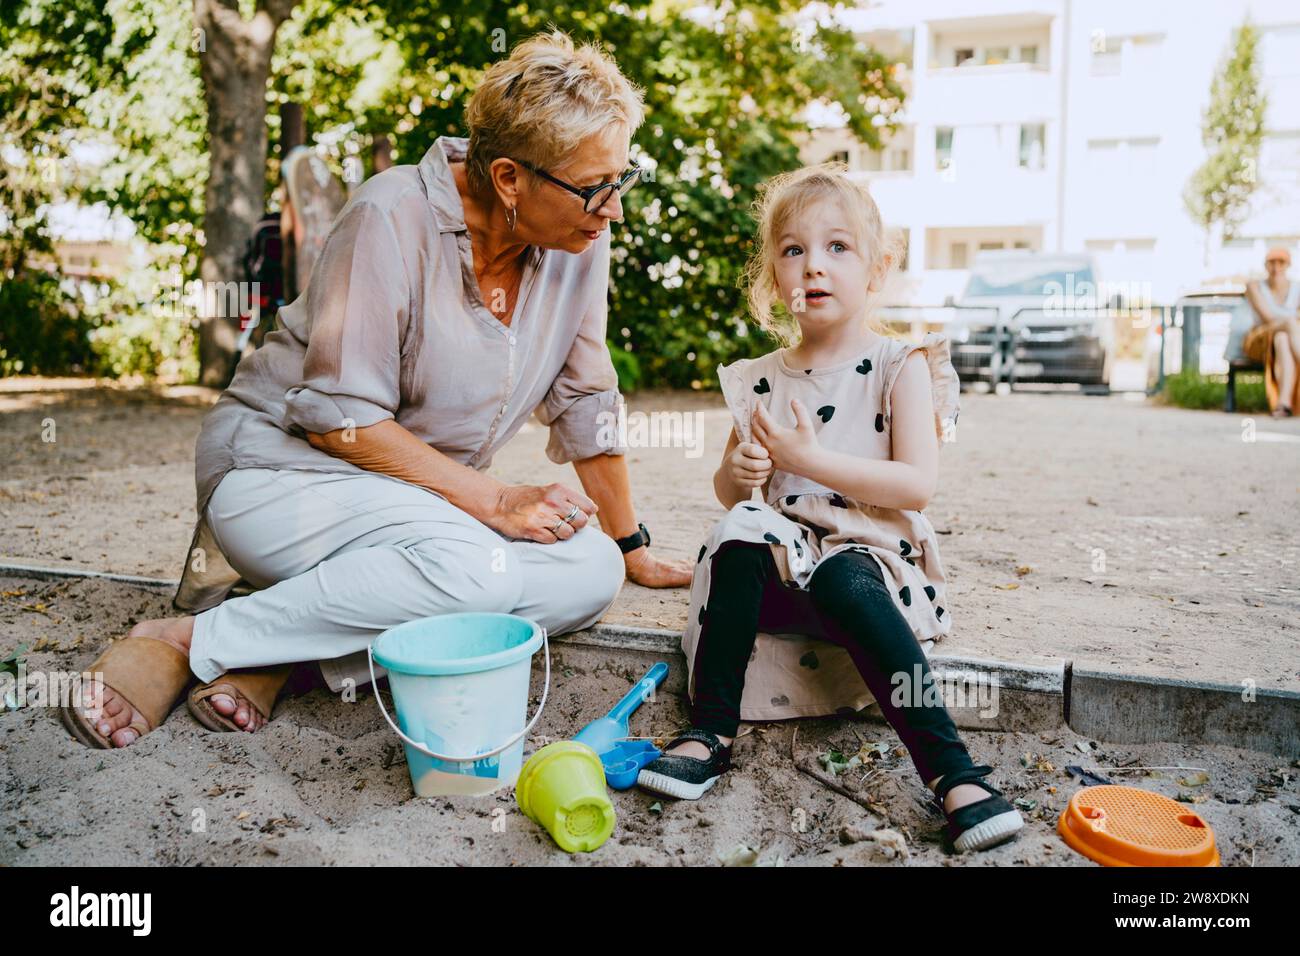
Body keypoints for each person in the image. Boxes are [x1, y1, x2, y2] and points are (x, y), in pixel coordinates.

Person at [61, 29, 692, 750]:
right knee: (473, 576)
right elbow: (339, 422)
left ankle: (291, 648)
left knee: (587, 572)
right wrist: (493, 499)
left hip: (418, 509)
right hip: (280, 477)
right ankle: (189, 638)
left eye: (621, 179)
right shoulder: (389, 217)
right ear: (511, 179)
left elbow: (585, 397)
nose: (613, 208)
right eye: (594, 187)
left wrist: (629, 543)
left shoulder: (579, 241)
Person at [636, 163, 1024, 853]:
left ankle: (953, 773)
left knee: (845, 574)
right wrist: (741, 469)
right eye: (793, 249)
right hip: (784, 580)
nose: (813, 264)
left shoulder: (901, 366)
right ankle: (711, 730)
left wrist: (808, 461)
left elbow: (914, 485)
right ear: (773, 274)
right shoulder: (761, 380)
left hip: (870, 571)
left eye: (837, 247)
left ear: (877, 269)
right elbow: (729, 492)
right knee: (739, 529)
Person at [1243, 246, 1300, 417]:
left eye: (1281, 262)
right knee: (1289, 325)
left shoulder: (1297, 288)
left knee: (1282, 338)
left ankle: (1283, 404)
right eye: (1272, 263)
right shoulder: (1254, 286)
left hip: (1287, 340)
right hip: (1259, 339)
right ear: (1265, 265)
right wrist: (1291, 320)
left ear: (1288, 265)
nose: (1276, 268)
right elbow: (1268, 318)